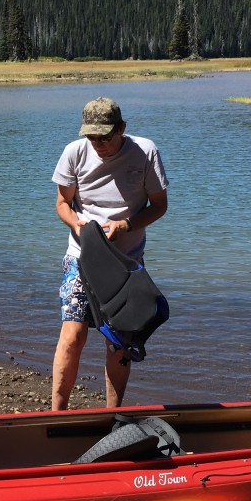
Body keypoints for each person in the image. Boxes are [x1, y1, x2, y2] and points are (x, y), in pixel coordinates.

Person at [51, 96, 169, 410]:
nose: (99, 144)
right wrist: (77, 226)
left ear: (122, 129)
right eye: (92, 137)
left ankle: (113, 414)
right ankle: (57, 414)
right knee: (73, 334)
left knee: (119, 341)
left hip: (126, 262)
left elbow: (159, 206)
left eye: (106, 137)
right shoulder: (73, 153)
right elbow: (62, 203)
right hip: (81, 255)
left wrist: (125, 226)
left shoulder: (145, 152)